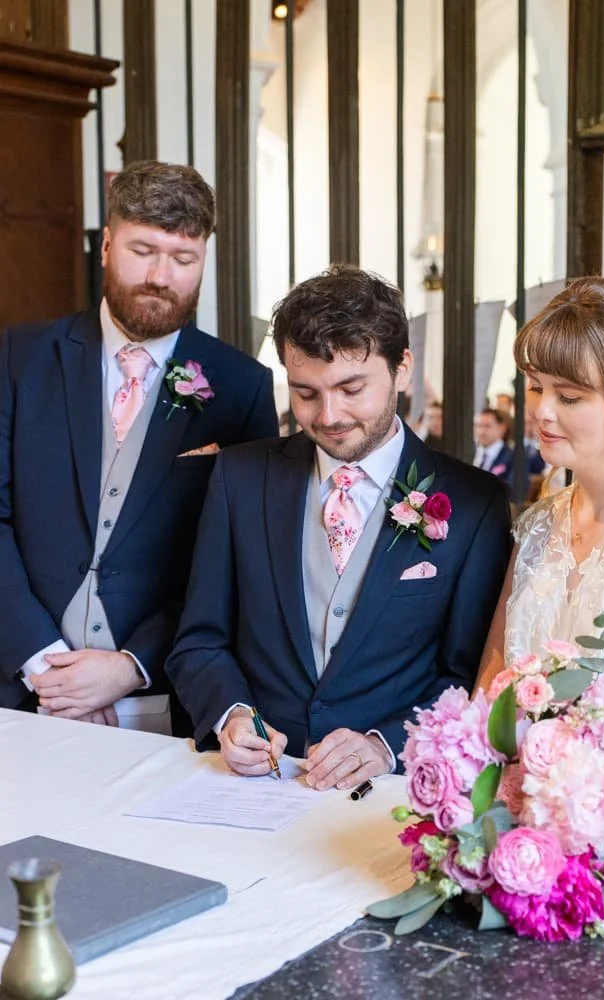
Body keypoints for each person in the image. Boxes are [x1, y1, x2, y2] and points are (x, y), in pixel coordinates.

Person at [166, 265, 512, 790]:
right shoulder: (238, 479)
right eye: (305, 393)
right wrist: (232, 715)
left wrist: (385, 744)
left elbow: (465, 677)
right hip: (255, 788)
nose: (328, 415)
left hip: (392, 793)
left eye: (351, 388)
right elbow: (199, 641)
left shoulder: (475, 502)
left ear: (402, 369)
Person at [0, 160, 278, 733]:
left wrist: (129, 666)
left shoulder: (242, 385)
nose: (160, 276)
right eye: (143, 250)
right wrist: (45, 666)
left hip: (161, 702)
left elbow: (239, 562)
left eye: (183, 259)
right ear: (106, 246)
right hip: (21, 690)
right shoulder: (18, 358)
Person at [477, 276, 604, 689]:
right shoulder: (538, 526)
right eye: (535, 386)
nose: (542, 411)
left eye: (569, 396)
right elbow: (491, 690)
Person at [473, 408, 515, 484]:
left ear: (501, 428)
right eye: (478, 426)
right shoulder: (472, 452)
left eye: (487, 426)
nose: (481, 432)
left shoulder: (513, 457)